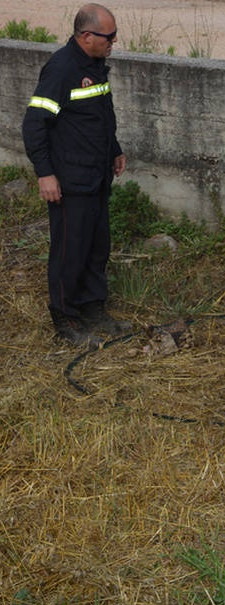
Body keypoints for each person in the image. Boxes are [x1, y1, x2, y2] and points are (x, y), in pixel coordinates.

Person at [22, 3, 130, 347]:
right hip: (71, 181)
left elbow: (98, 115)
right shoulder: (62, 69)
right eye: (109, 36)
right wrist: (45, 174)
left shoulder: (94, 66)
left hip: (96, 176)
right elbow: (34, 125)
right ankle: (66, 317)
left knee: (97, 247)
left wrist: (114, 149)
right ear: (86, 37)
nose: (113, 41)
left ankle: (93, 308)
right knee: (71, 251)